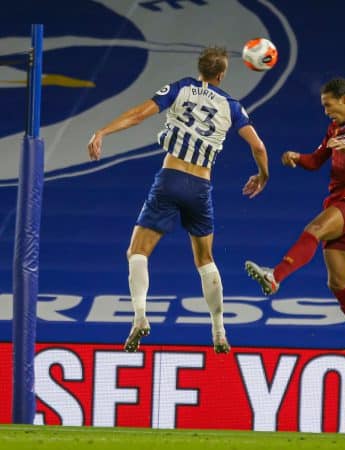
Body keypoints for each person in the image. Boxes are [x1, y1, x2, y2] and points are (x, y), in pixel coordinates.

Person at [87, 46, 269, 354]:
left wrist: (103, 131)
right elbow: (260, 147)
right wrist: (262, 175)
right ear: (222, 74)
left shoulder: (182, 88)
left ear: (200, 69)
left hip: (170, 179)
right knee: (205, 259)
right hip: (200, 186)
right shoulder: (232, 106)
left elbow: (138, 115)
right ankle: (219, 330)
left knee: (137, 251)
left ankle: (140, 316)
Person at [245, 77, 345, 375]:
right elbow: (317, 160)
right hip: (339, 199)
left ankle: (276, 276)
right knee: (338, 283)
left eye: (328, 105)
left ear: (343, 99)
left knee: (314, 229)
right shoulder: (335, 128)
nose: (326, 111)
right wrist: (296, 158)